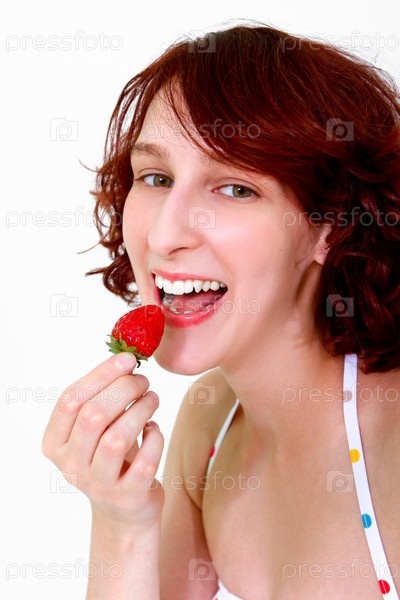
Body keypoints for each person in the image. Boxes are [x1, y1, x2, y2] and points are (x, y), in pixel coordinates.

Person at [42, 23, 400, 600]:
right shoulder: (209, 422)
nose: (164, 235)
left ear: (330, 227)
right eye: (156, 177)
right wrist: (120, 521)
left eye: (235, 188)